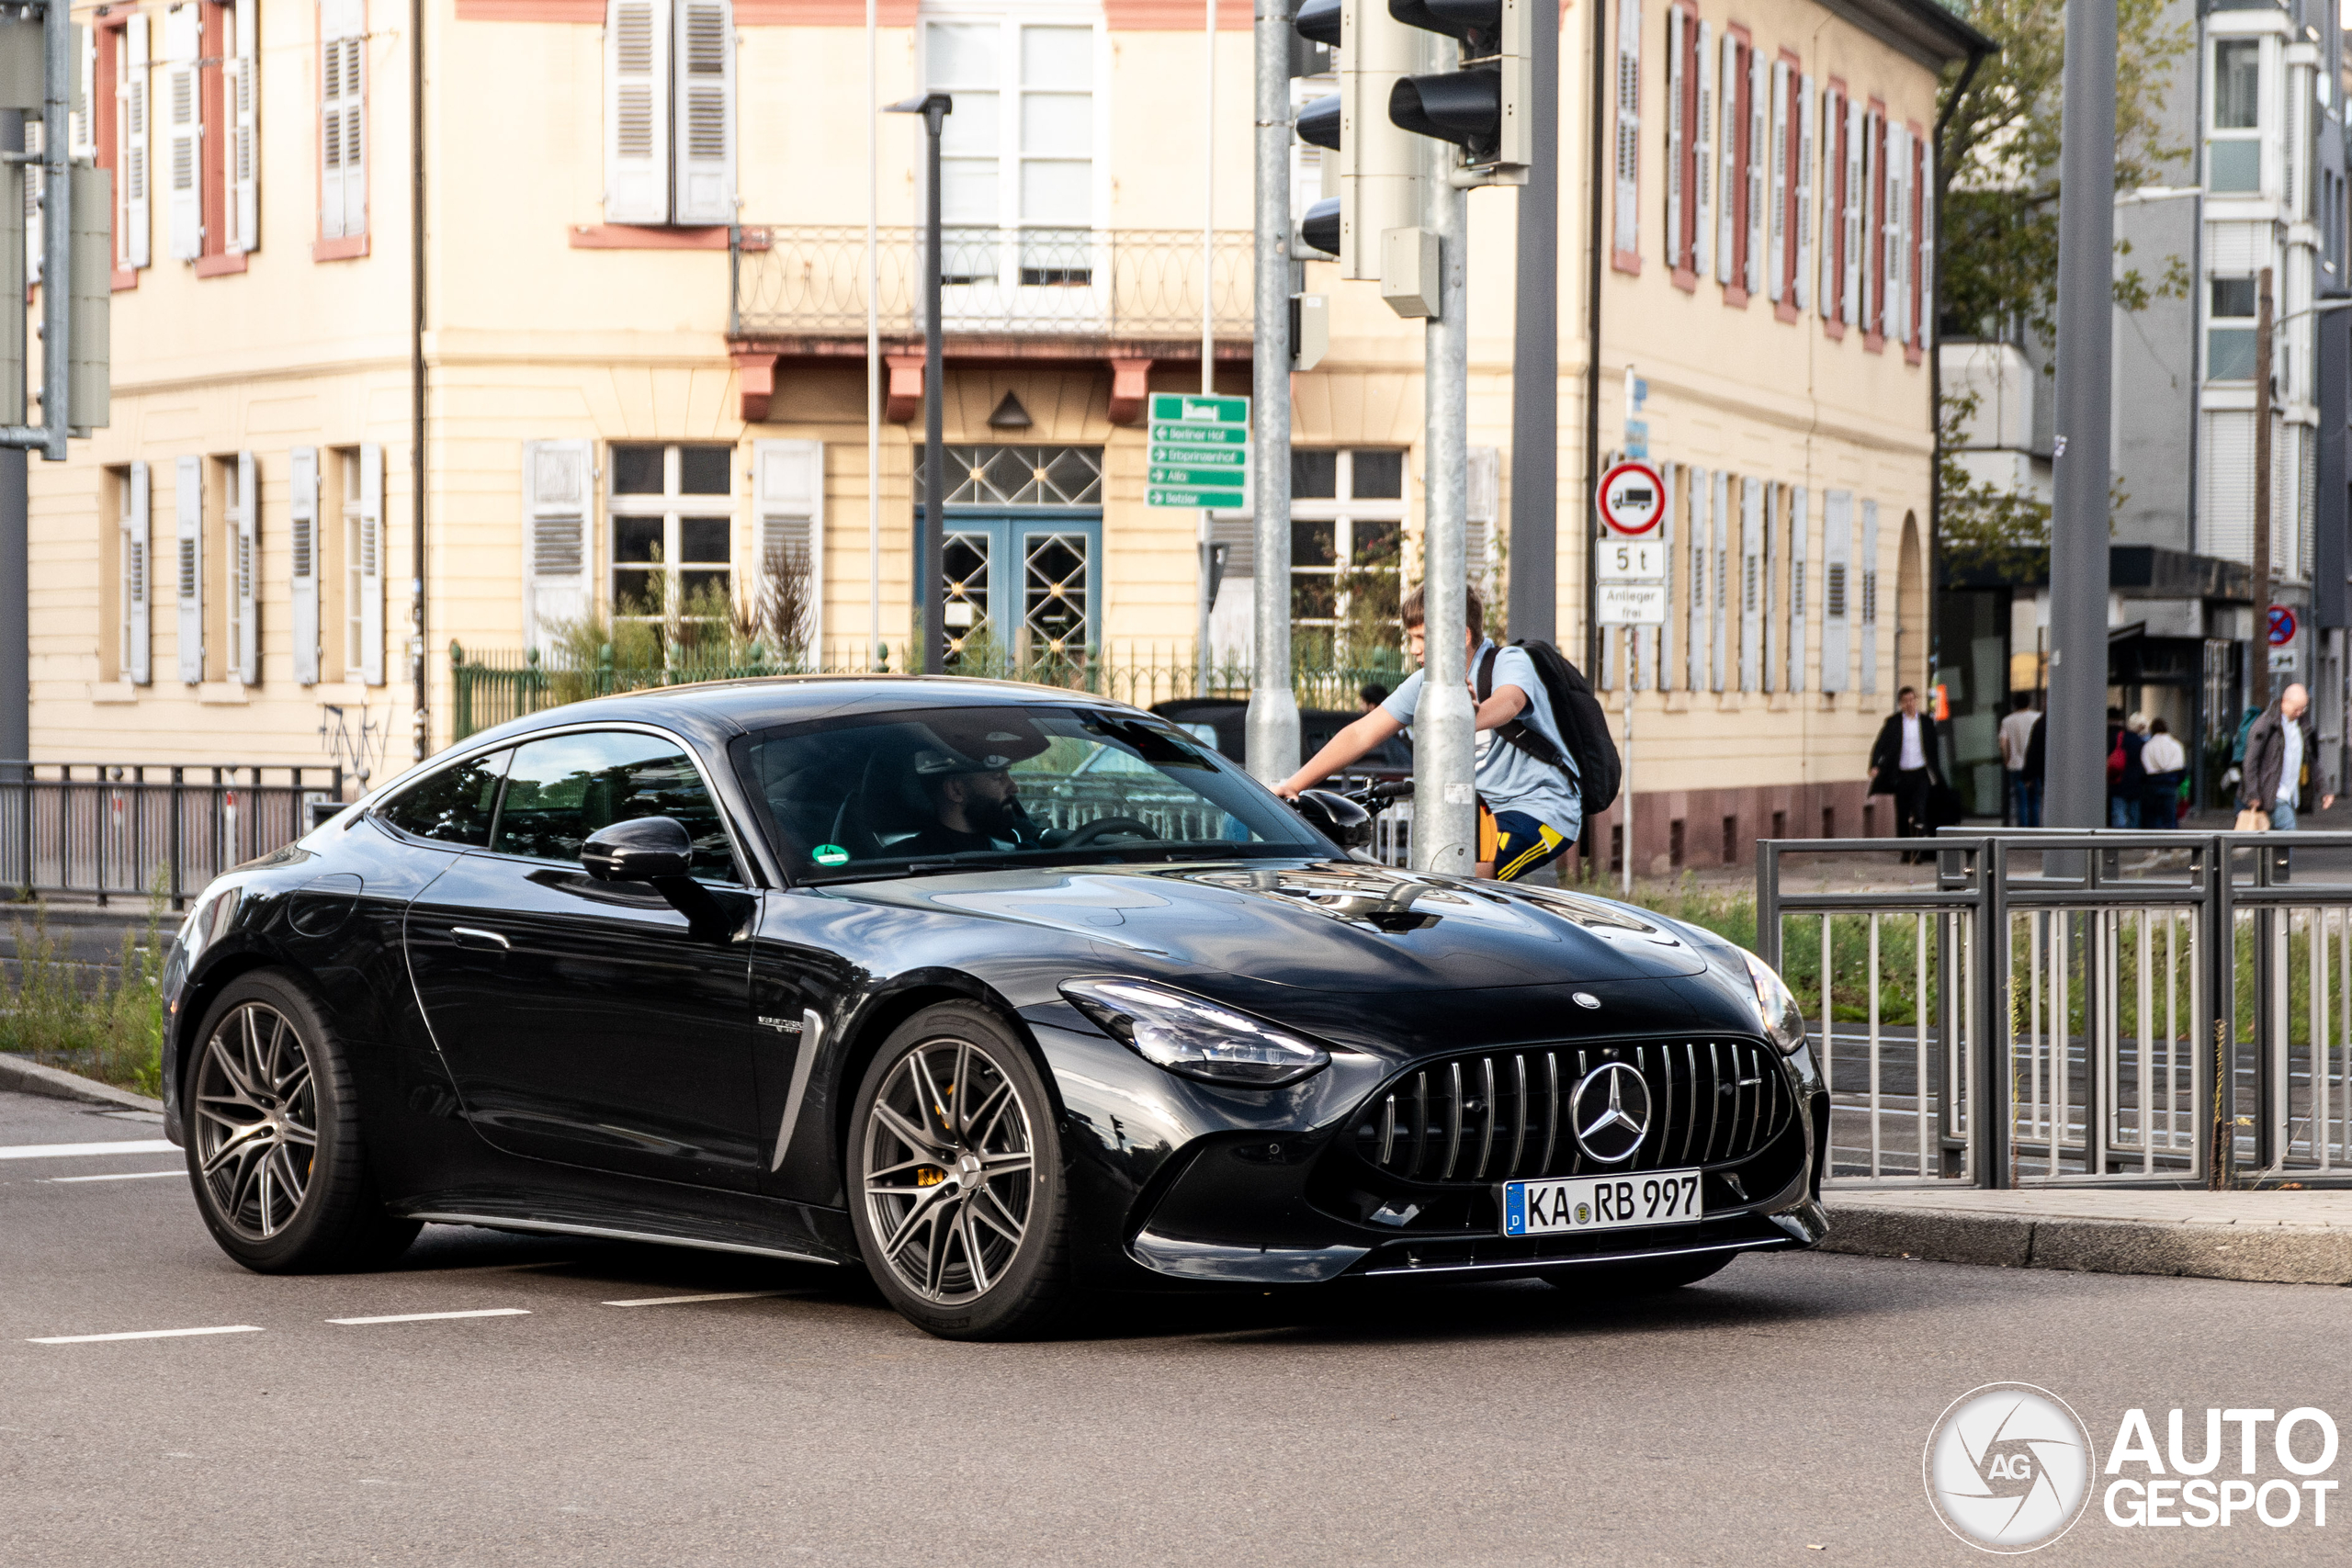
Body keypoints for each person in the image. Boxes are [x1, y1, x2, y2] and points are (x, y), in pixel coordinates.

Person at [1279, 583, 1580, 881]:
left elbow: (1511, 701)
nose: (1413, 649)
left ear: (1462, 635)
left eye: (1422, 637)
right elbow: (1361, 734)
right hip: (1474, 811)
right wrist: (1293, 785)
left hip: (1539, 808)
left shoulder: (1508, 661)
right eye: (1411, 638)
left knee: (1473, 880)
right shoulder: (1425, 682)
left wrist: (1464, 719)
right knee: (1438, 883)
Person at [2241, 682, 2336, 830]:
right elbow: (2250, 760)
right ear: (2285, 702)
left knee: (2276, 840)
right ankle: (2282, 854)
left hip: (2291, 795)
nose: (2299, 713)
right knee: (2288, 828)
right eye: (2296, 709)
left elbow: (2312, 761)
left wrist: (2324, 789)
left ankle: (2280, 855)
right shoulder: (2266, 724)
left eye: (2303, 709)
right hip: (2272, 793)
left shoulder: (2303, 727)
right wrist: (2253, 794)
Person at [1868, 686, 1944, 858]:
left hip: (1921, 774)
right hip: (1902, 775)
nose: (1910, 704)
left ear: (1916, 700)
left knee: (1920, 812)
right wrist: (1875, 765)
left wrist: (1935, 771)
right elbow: (1880, 744)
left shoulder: (1925, 722)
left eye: (1912, 700)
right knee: (1902, 813)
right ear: (1901, 704)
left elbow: (1934, 748)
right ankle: (1905, 850)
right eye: (1906, 701)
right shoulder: (1893, 722)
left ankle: (1918, 851)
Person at [1999, 694, 2041, 828]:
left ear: (2014, 704)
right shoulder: (2037, 718)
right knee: (2035, 800)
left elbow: (2003, 743)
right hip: (2034, 765)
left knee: (2021, 802)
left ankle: (2022, 832)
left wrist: (2007, 759)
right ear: (2029, 702)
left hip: (2016, 765)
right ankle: (2035, 831)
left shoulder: (2007, 720)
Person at [2139, 716, 2187, 830]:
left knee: (2153, 817)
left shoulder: (2148, 746)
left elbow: (2143, 768)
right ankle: (2171, 843)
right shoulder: (2176, 745)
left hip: (2152, 785)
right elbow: (2182, 768)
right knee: (2170, 817)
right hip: (2170, 784)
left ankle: (2153, 843)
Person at [2109, 712, 2149, 829]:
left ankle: (2118, 839)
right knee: (2134, 815)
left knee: (2118, 813)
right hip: (2136, 783)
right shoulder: (2142, 743)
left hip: (2118, 780)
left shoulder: (2118, 738)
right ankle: (2132, 841)